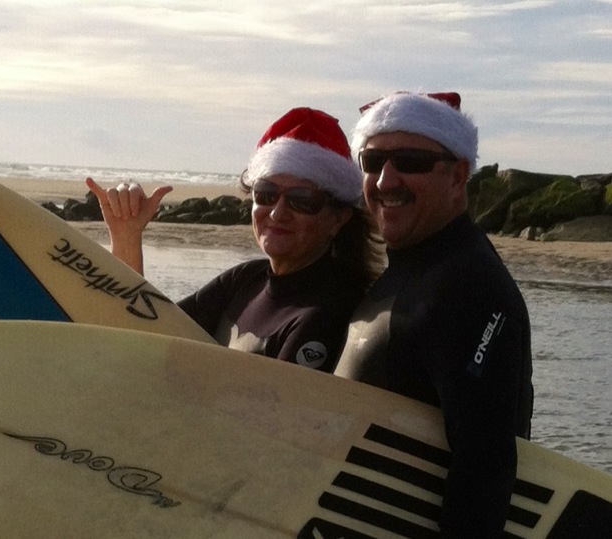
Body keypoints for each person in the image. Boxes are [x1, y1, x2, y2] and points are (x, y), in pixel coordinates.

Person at [335, 91, 534, 537]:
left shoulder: (467, 284)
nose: (386, 180)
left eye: (411, 161)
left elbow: (486, 464)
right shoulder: (408, 273)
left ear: (459, 174)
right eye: (371, 161)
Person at [87, 107, 383, 372]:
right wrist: (126, 236)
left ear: (338, 218)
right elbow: (145, 333)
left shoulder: (328, 313)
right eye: (265, 194)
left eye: (301, 201)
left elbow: (273, 419)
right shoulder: (245, 279)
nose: (278, 213)